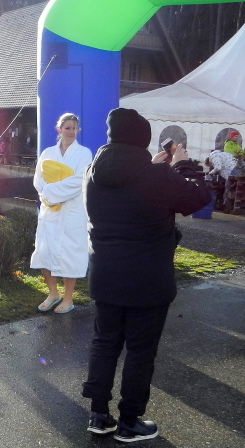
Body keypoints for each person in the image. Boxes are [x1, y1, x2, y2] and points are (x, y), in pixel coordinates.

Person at [81, 107, 209, 442]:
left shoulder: (93, 171)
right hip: (148, 279)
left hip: (105, 274)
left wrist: (155, 168)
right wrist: (182, 165)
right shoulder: (158, 176)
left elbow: (128, 190)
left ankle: (98, 414)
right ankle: (130, 421)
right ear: (143, 140)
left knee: (104, 343)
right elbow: (198, 198)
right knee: (140, 351)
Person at [30, 113, 92, 314]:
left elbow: (78, 181)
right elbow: (38, 179)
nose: (71, 132)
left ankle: (68, 297)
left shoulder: (84, 154)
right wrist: (47, 195)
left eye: (74, 128)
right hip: (49, 210)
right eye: (67, 128)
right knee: (44, 251)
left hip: (72, 210)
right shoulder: (48, 153)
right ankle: (53, 293)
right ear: (59, 129)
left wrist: (50, 193)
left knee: (69, 253)